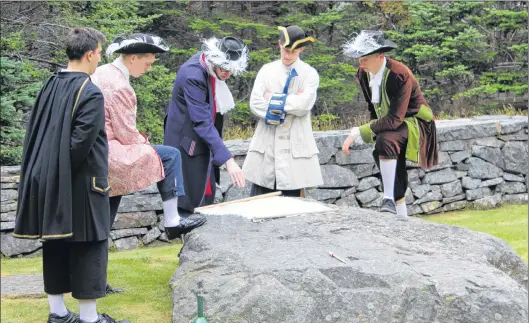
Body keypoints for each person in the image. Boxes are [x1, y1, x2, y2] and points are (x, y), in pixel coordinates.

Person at [13, 27, 129, 323]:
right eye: (100, 54)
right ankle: (90, 319)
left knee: (55, 243)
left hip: (51, 182)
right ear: (90, 54)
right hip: (83, 185)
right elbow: (80, 145)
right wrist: (63, 174)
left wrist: (51, 176)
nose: (99, 60)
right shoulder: (90, 91)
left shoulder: (50, 84)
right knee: (90, 246)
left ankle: (59, 314)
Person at [92, 33, 206, 293]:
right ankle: (172, 220)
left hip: (97, 155)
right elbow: (126, 133)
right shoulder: (122, 87)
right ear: (132, 58)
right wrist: (145, 143)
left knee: (104, 220)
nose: (150, 67)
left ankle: (96, 283)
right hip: (110, 155)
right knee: (169, 155)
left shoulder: (102, 72)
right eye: (148, 62)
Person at [341, 30, 438, 218]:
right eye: (360, 59)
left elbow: (395, 118)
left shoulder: (399, 74)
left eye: (365, 59)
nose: (361, 64)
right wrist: (372, 129)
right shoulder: (363, 73)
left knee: (386, 140)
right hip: (391, 123)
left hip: (414, 121)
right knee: (383, 146)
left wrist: (357, 133)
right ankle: (400, 216)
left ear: (380, 56)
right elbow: (373, 108)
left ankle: (387, 199)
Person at [163, 36, 249, 214]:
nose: (227, 74)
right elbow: (202, 122)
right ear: (214, 60)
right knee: (190, 202)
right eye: (225, 69)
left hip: (202, 144)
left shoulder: (208, 66)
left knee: (206, 200)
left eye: (231, 69)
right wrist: (229, 160)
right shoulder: (192, 76)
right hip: (186, 144)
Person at [242, 25, 323, 197]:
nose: (287, 55)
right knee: (258, 206)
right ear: (279, 44)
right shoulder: (266, 70)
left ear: (301, 49)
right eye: (285, 50)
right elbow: (256, 103)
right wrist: (291, 102)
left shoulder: (310, 74)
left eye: (293, 52)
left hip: (294, 153)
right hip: (267, 151)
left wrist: (271, 98)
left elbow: (304, 105)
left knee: (292, 212)